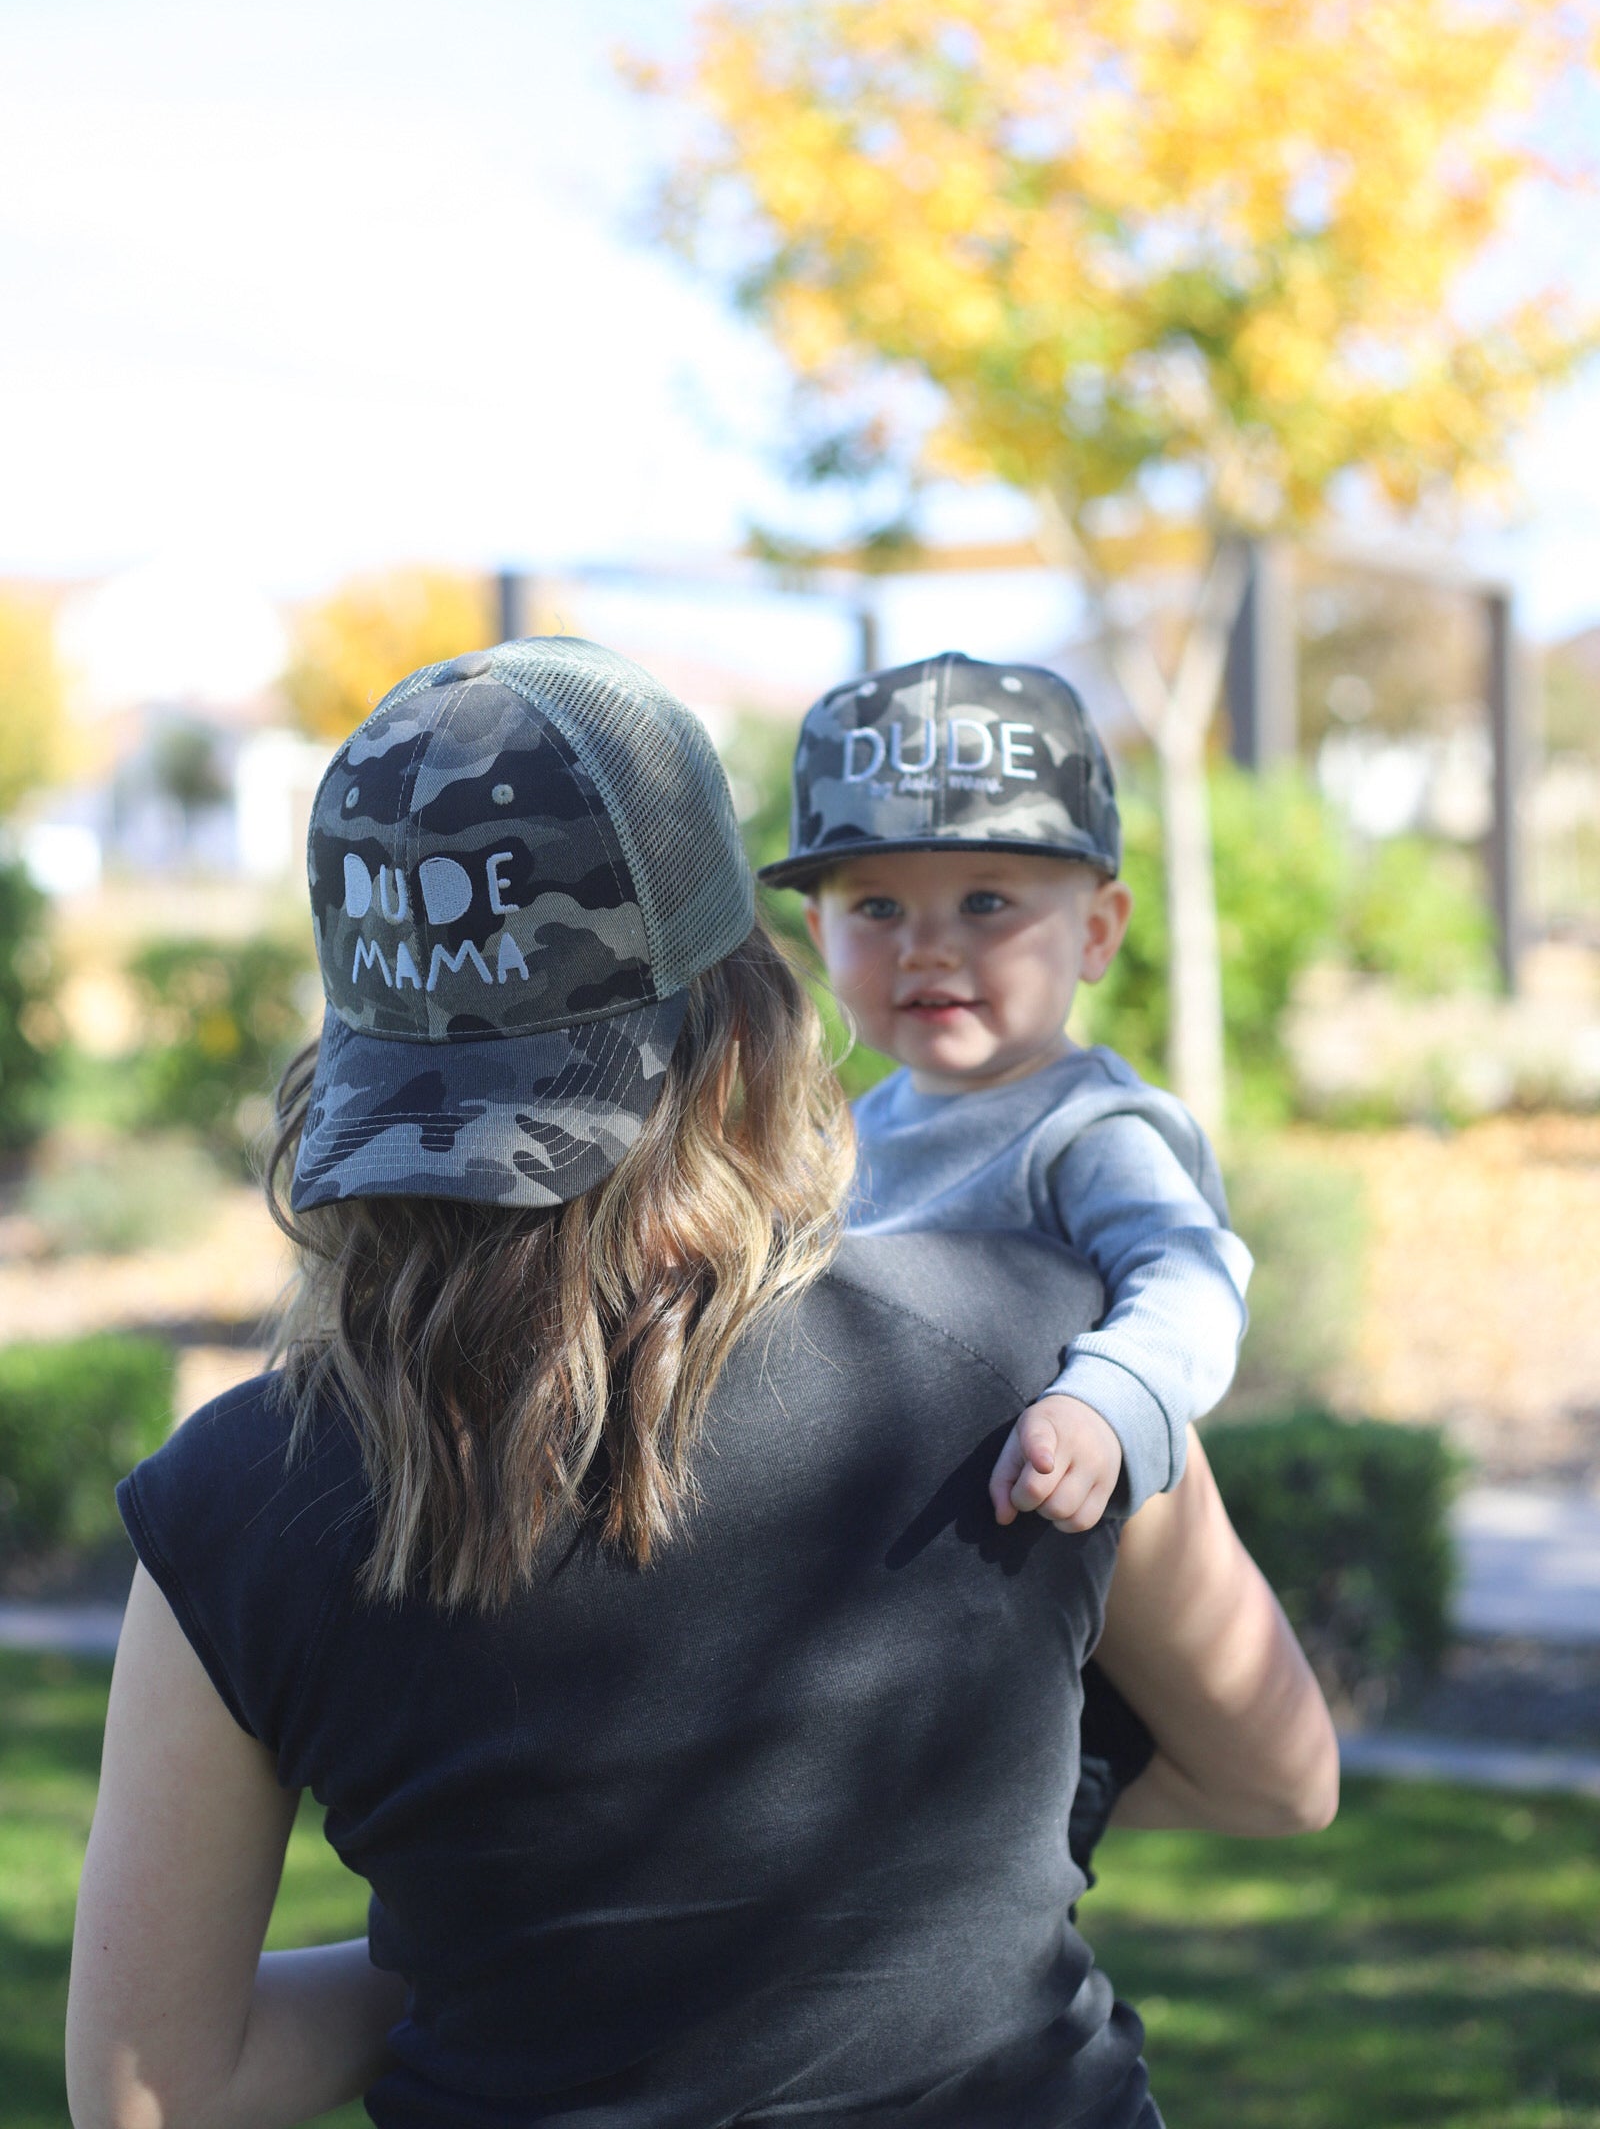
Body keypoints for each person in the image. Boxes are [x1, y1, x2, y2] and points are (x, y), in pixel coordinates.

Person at [67, 637, 1336, 2129]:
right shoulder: (1044, 1358)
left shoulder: (241, 1507)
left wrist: (510, 1938)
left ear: (362, 1059)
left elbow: (152, 2092)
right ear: (747, 1009)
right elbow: (1281, 1777)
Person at [761, 649, 1250, 1536]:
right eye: (877, 909)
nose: (928, 948)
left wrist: (1108, 1404)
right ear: (818, 930)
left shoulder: (1086, 1130)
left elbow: (1193, 1275)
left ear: (1097, 933)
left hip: (1038, 1561)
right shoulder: (855, 1132)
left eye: (985, 901)